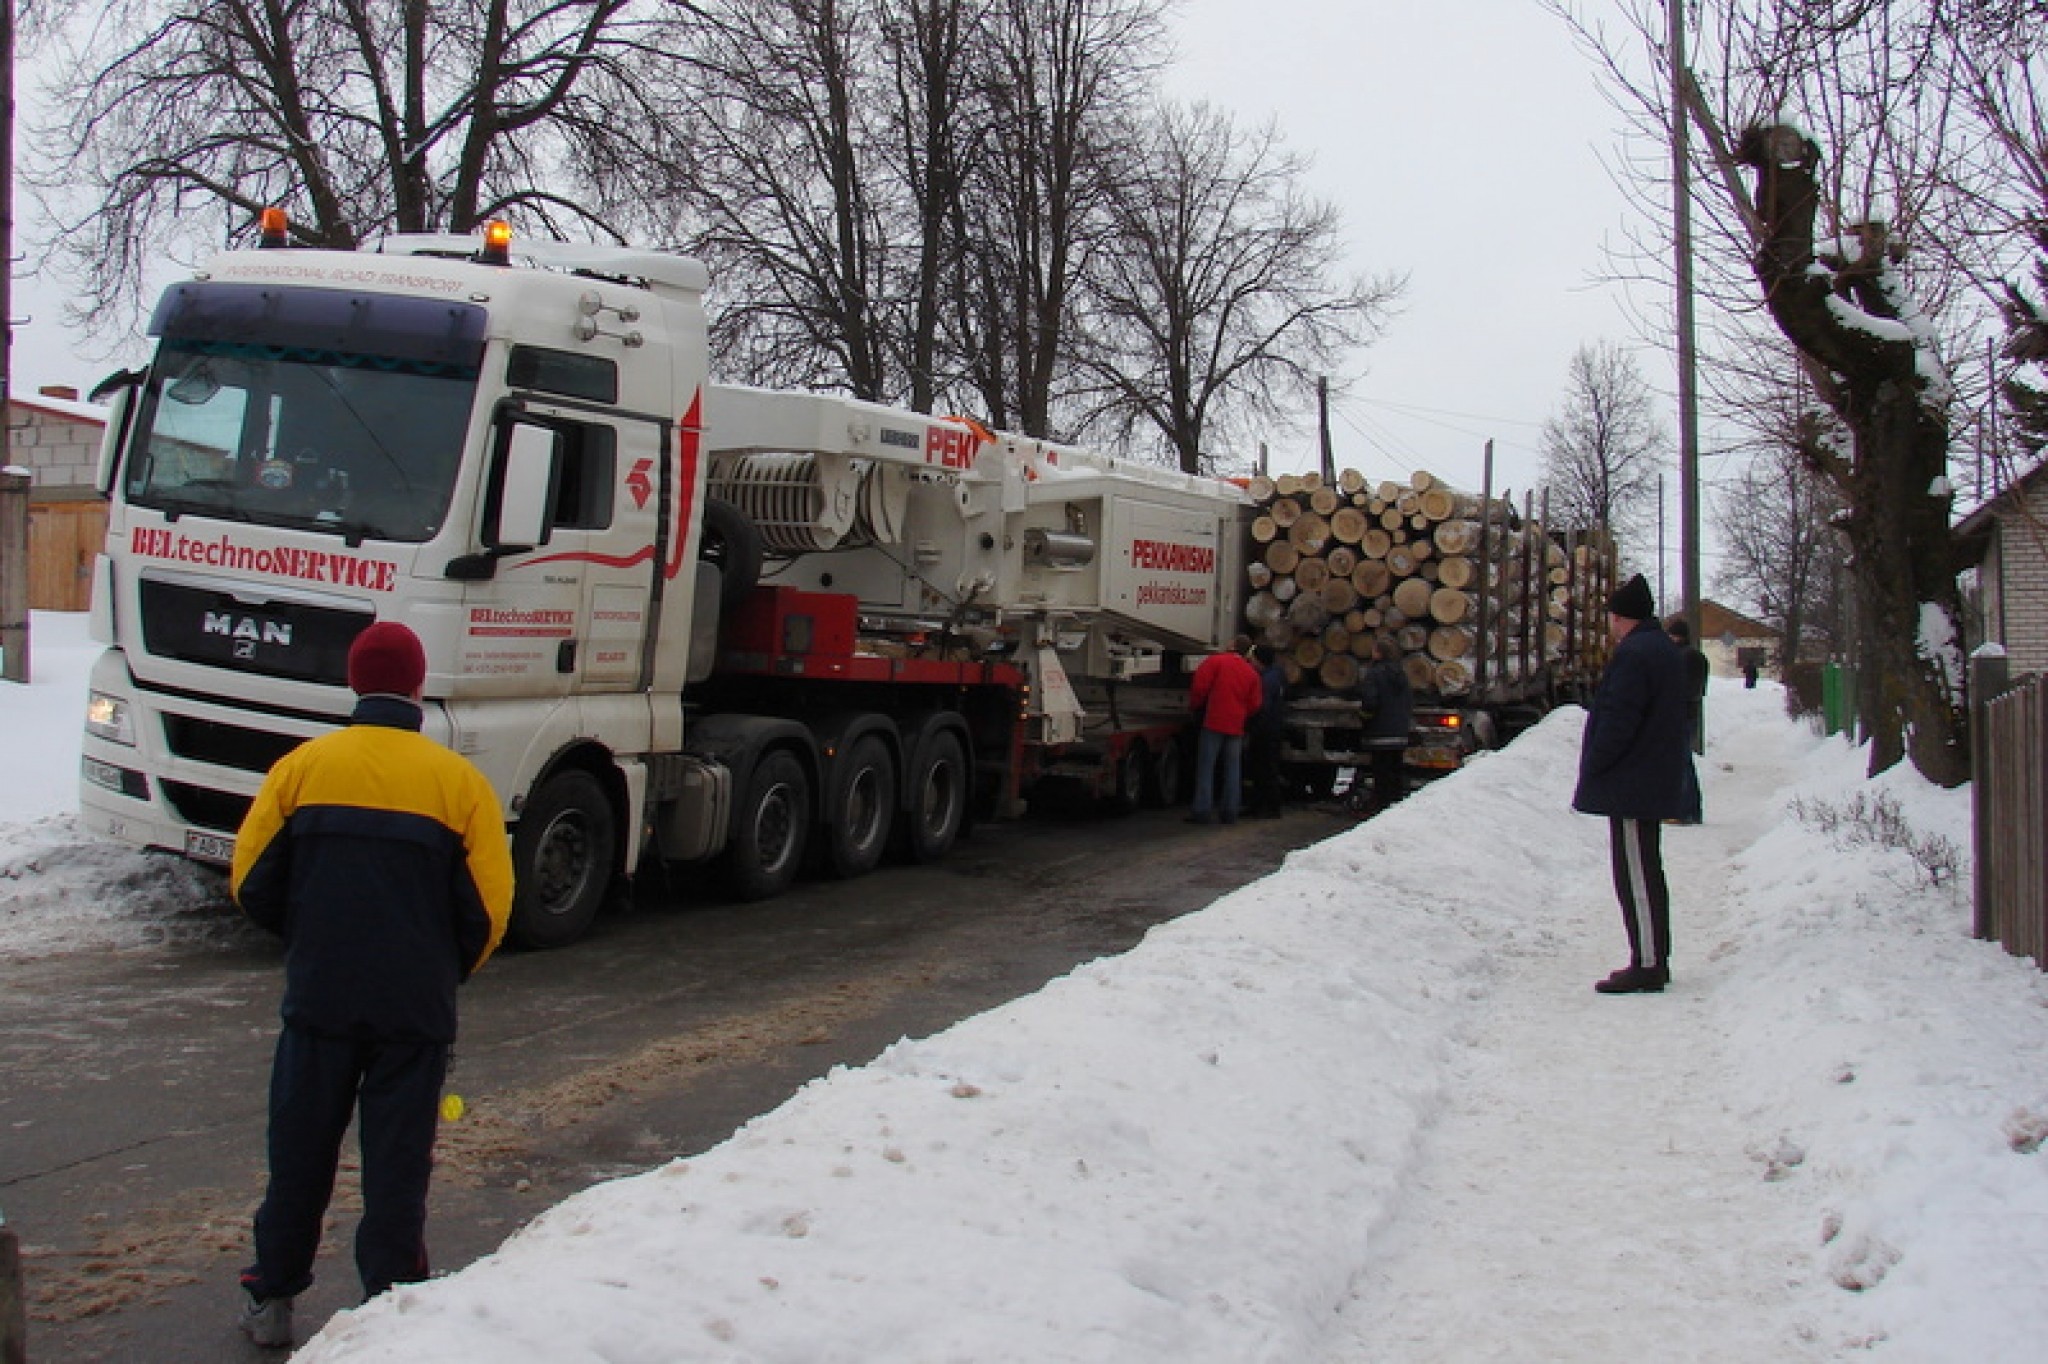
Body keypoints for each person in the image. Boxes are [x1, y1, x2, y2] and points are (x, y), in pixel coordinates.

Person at [230, 621, 514, 1347]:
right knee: (396, 1165)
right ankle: (390, 1307)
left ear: (354, 683)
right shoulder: (458, 784)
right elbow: (488, 909)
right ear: (418, 686)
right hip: (413, 1009)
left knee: (298, 1152)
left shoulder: (301, 770)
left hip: (320, 998)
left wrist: (311, 942)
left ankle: (274, 1297)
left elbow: (251, 882)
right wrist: (443, 971)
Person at [1573, 574, 1698, 996]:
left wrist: (1596, 764)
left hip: (1632, 781)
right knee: (1644, 868)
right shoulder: (1660, 649)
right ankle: (1650, 956)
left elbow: (1618, 718)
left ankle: (1647, 962)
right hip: (1648, 775)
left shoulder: (1635, 655)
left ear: (1620, 617)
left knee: (1636, 873)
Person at [1186, 634, 1264, 825]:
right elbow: (1255, 704)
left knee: (1206, 767)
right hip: (1236, 725)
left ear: (1232, 645)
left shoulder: (1216, 661)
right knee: (1233, 769)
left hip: (1214, 721)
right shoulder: (1251, 672)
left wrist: (1195, 706)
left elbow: (1200, 687)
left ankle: (1202, 810)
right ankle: (1230, 811)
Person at [1353, 636, 1413, 813]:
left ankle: (1382, 809)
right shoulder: (1401, 674)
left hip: (1379, 734)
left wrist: (1364, 717)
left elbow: (1370, 702)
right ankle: (1396, 807)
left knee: (1381, 775)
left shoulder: (1374, 674)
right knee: (1395, 774)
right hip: (1399, 733)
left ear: (1378, 653)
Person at [1244, 644, 1289, 818]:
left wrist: (1252, 726)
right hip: (1273, 727)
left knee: (1264, 768)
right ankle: (1262, 804)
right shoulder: (1277, 675)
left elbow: (1263, 707)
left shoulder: (1267, 681)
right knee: (1265, 768)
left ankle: (1269, 806)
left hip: (1265, 729)